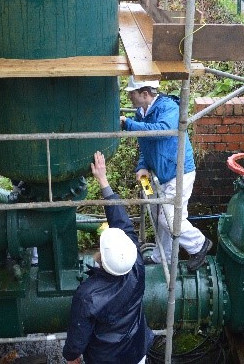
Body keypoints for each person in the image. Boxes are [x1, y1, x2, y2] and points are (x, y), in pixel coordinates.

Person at [62, 151, 154, 364]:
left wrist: (71, 356)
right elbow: (122, 222)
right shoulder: (136, 265)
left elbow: (78, 336)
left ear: (101, 257)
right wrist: (103, 181)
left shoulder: (88, 296)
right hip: (136, 352)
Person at [119, 77, 212, 272]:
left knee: (169, 218)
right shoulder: (140, 113)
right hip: (158, 175)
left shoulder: (168, 107)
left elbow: (162, 131)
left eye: (132, 92)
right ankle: (162, 257)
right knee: (157, 212)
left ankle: (199, 245)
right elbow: (145, 142)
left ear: (145, 94)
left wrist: (128, 124)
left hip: (178, 173)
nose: (129, 96)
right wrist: (142, 166)